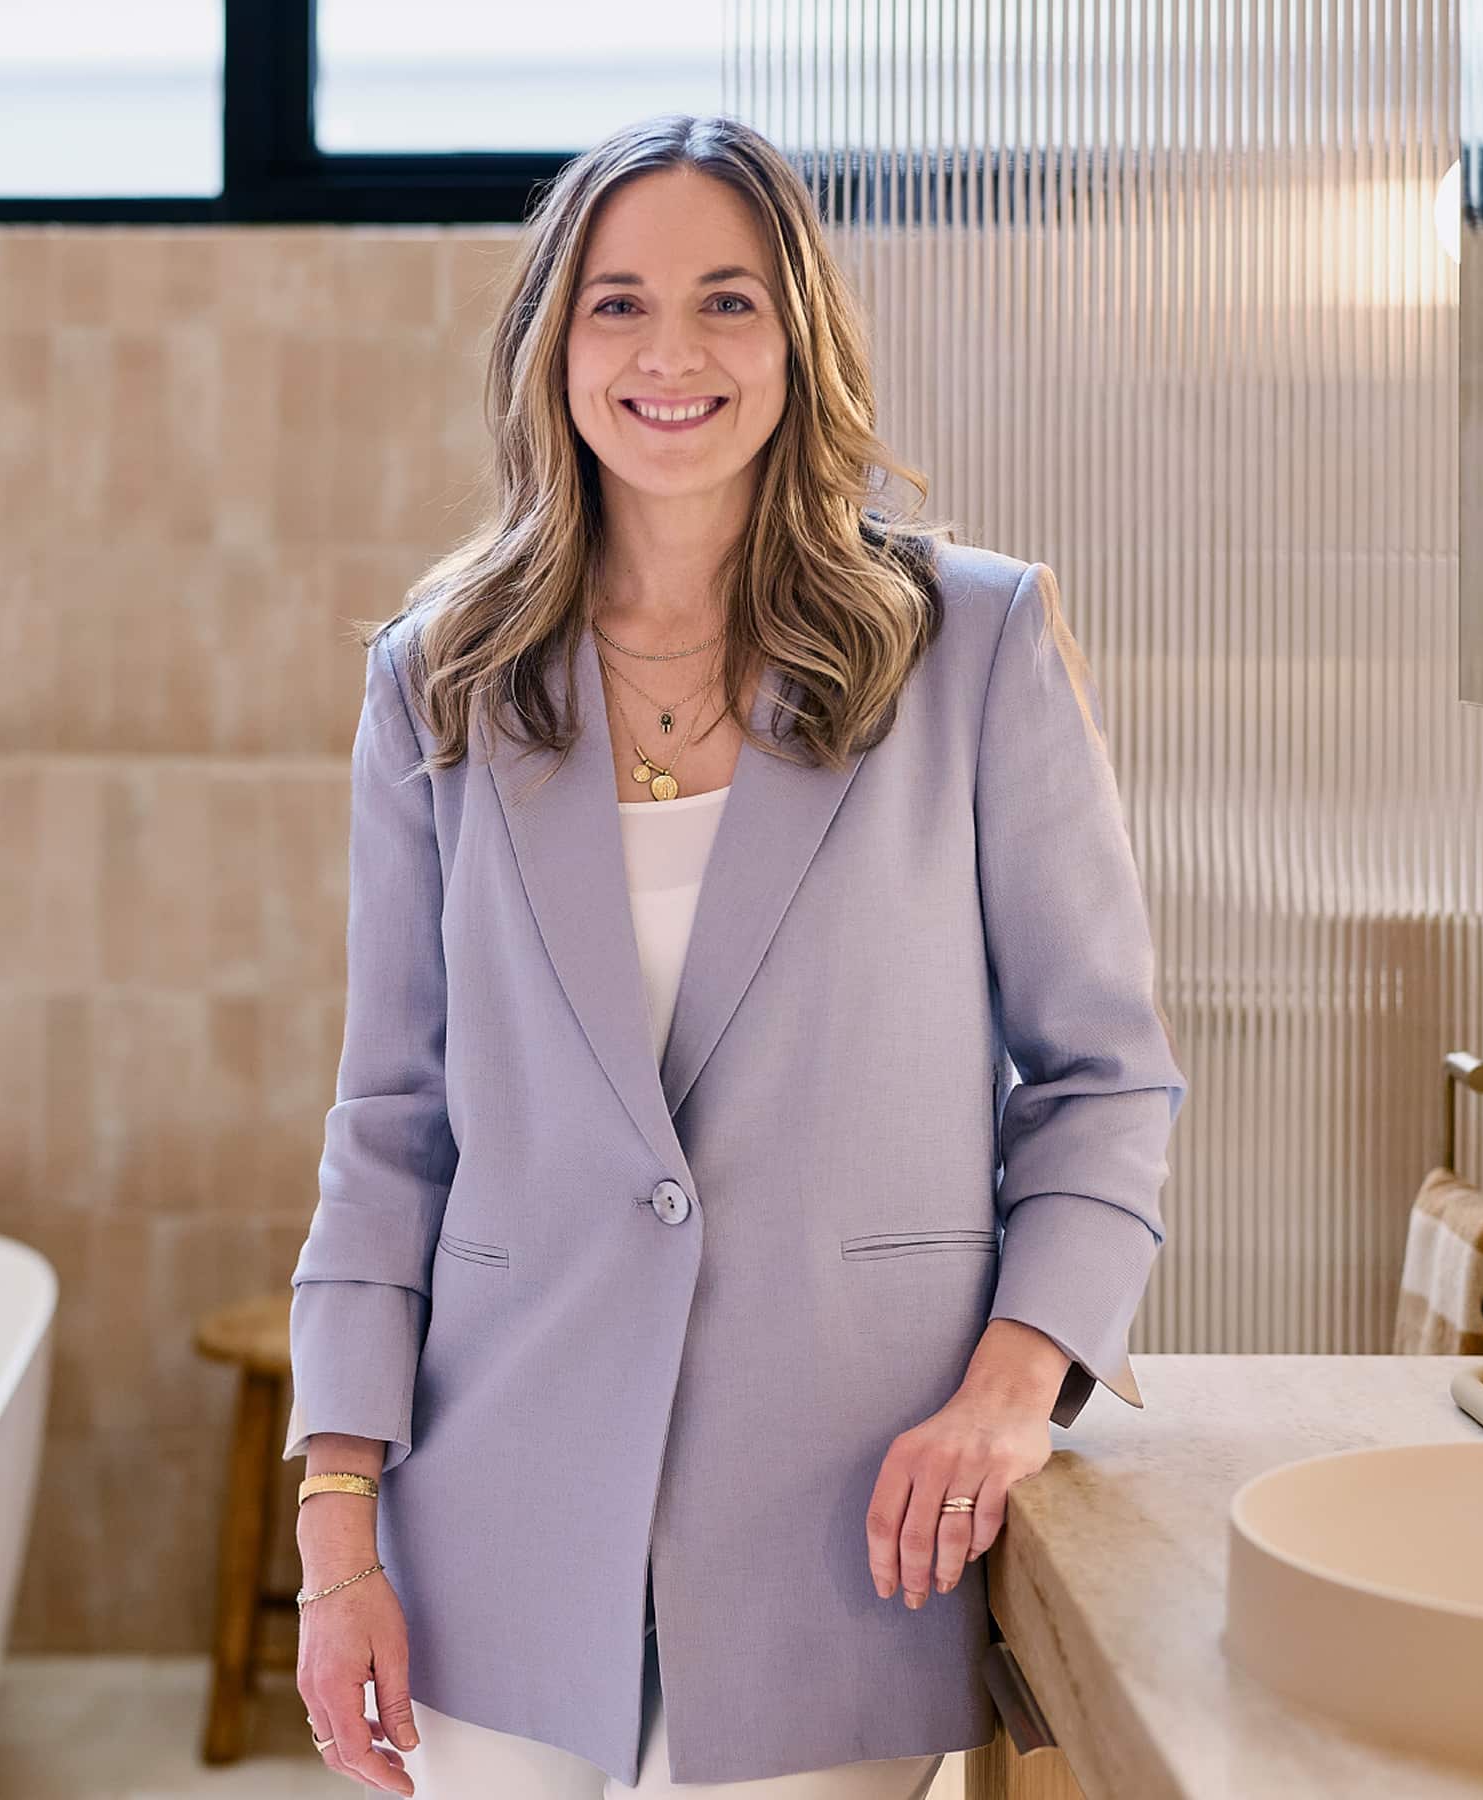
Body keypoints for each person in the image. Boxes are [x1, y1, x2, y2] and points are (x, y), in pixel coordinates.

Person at [285, 112, 1187, 1798]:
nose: (671, 354)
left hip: (842, 1524)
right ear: (553, 344)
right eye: (618, 304)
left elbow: (1102, 1078)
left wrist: (1016, 1383)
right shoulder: (443, 675)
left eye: (728, 300)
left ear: (798, 339)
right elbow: (391, 1127)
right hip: (493, 1520)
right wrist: (339, 1532)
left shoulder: (969, 643)